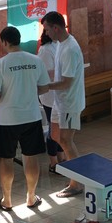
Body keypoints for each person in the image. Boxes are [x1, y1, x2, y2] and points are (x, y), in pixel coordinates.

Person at [0, 26, 50, 211]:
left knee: (6, 159)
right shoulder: (35, 60)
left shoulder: (0, 64)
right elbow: (44, 88)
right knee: (31, 157)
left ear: (5, 42)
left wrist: (7, 96)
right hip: (31, 116)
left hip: (7, 119)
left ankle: (7, 200)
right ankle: (31, 197)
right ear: (19, 39)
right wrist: (28, 92)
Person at [41, 11, 86, 198]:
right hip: (59, 100)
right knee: (55, 135)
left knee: (66, 140)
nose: (45, 33)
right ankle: (74, 171)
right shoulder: (60, 43)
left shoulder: (70, 49)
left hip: (69, 102)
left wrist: (46, 87)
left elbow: (67, 82)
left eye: (47, 29)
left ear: (56, 28)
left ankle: (77, 183)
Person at [37, 29, 65, 174]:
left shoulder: (59, 45)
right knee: (53, 129)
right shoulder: (45, 50)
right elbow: (47, 74)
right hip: (50, 96)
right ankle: (53, 162)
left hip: (60, 94)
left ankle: (61, 158)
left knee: (61, 128)